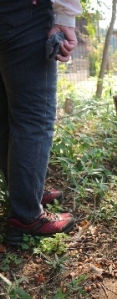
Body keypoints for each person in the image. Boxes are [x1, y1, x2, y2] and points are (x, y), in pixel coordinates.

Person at [0, 0, 82, 245]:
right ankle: (26, 215)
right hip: (23, 14)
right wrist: (65, 18)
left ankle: (24, 193)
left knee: (5, 112)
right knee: (34, 119)